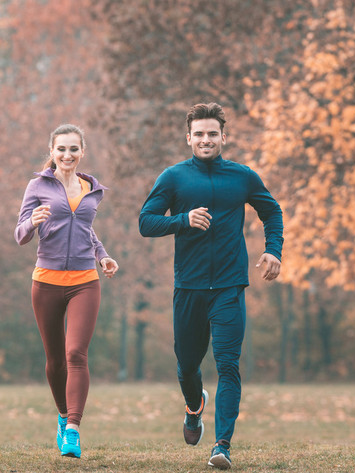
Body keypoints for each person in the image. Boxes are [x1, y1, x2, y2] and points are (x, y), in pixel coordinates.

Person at [139, 103, 283, 470]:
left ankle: (222, 446)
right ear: (189, 138)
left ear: (223, 137)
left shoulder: (243, 176)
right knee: (187, 366)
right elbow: (146, 222)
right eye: (199, 134)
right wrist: (183, 220)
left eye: (212, 134)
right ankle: (193, 407)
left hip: (229, 286)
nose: (206, 140)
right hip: (188, 286)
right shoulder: (173, 178)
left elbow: (272, 211)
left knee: (228, 365)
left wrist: (272, 250)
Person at [15, 124, 119, 459]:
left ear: (82, 152)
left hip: (85, 281)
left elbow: (86, 230)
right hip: (45, 281)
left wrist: (103, 256)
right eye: (61, 149)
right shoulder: (38, 186)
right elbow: (20, 234)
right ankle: (61, 415)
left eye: (74, 149)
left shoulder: (91, 189)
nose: (67, 155)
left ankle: (73, 428)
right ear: (52, 151)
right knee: (55, 360)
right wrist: (33, 221)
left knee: (76, 354)